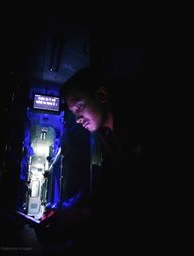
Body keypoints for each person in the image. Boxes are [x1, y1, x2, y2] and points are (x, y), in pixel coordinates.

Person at [35, 67, 148, 254]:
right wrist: (72, 212)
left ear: (101, 95)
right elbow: (109, 188)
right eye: (74, 114)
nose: (78, 119)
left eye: (79, 107)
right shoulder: (107, 139)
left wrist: (82, 218)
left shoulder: (136, 128)